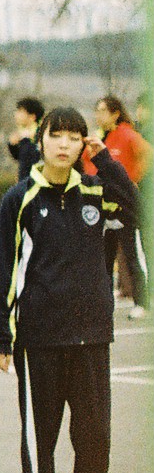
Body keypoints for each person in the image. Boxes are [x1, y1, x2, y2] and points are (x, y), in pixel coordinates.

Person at [0, 106, 138, 473]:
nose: (65, 144)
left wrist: (105, 160)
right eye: (57, 135)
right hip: (40, 336)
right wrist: (2, 336)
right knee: (43, 435)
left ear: (83, 145)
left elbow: (136, 209)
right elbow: (6, 271)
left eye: (75, 137)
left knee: (95, 434)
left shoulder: (95, 191)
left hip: (92, 333)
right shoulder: (20, 198)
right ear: (41, 140)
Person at [89, 94, 149, 318]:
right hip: (103, 205)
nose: (98, 115)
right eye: (96, 110)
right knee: (104, 259)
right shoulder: (98, 137)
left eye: (103, 111)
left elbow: (148, 155)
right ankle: (103, 302)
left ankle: (142, 302)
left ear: (115, 114)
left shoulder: (127, 134)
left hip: (124, 208)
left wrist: (133, 180)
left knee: (132, 256)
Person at [6, 97, 44, 184]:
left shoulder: (41, 136)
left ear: (32, 117)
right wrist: (12, 146)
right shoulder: (20, 135)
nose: (16, 114)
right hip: (23, 184)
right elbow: (20, 158)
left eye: (20, 111)